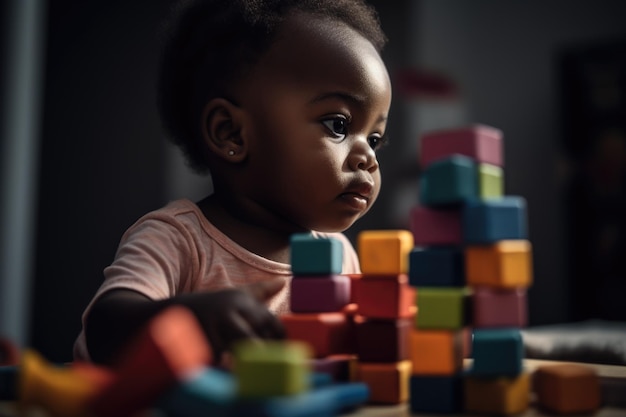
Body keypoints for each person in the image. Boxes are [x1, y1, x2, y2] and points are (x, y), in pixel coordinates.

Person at [73, 0, 392, 366]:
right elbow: (104, 329)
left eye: (374, 139)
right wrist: (189, 319)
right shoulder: (177, 241)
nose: (368, 158)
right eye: (339, 124)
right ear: (231, 133)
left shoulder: (340, 257)